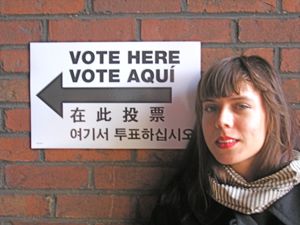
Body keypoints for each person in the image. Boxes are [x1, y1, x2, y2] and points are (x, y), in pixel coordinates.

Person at [149, 55, 300, 225]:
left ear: (271, 115)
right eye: (211, 107)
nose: (221, 121)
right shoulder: (179, 201)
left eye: (241, 106)